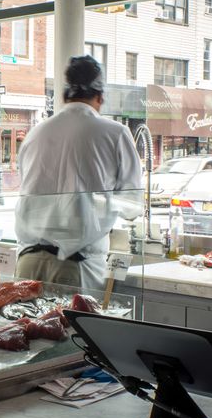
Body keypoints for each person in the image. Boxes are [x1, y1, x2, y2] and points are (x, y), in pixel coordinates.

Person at [14, 55, 143, 291]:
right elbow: (132, 205)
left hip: (26, 263)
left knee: (24, 328)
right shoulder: (115, 133)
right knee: (70, 328)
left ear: (64, 96)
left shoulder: (36, 133)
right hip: (75, 266)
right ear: (101, 97)